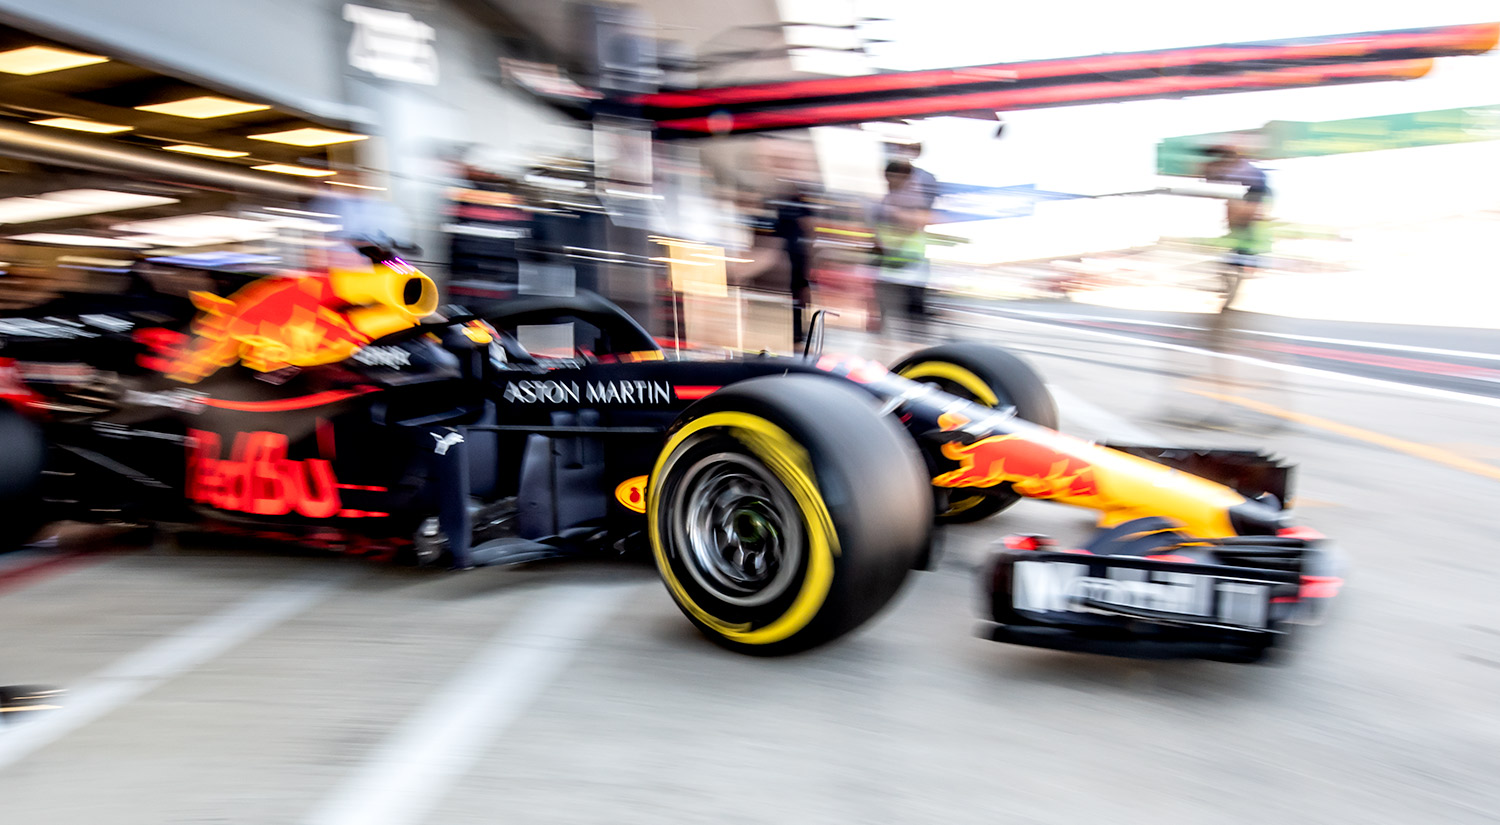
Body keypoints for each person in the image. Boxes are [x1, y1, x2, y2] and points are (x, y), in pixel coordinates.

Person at [871, 158, 937, 338]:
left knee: (913, 321)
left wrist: (891, 242)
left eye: (894, 176)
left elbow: (913, 225)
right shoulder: (886, 200)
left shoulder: (912, 198)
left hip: (911, 267)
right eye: (888, 177)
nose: (890, 181)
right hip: (890, 267)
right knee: (886, 318)